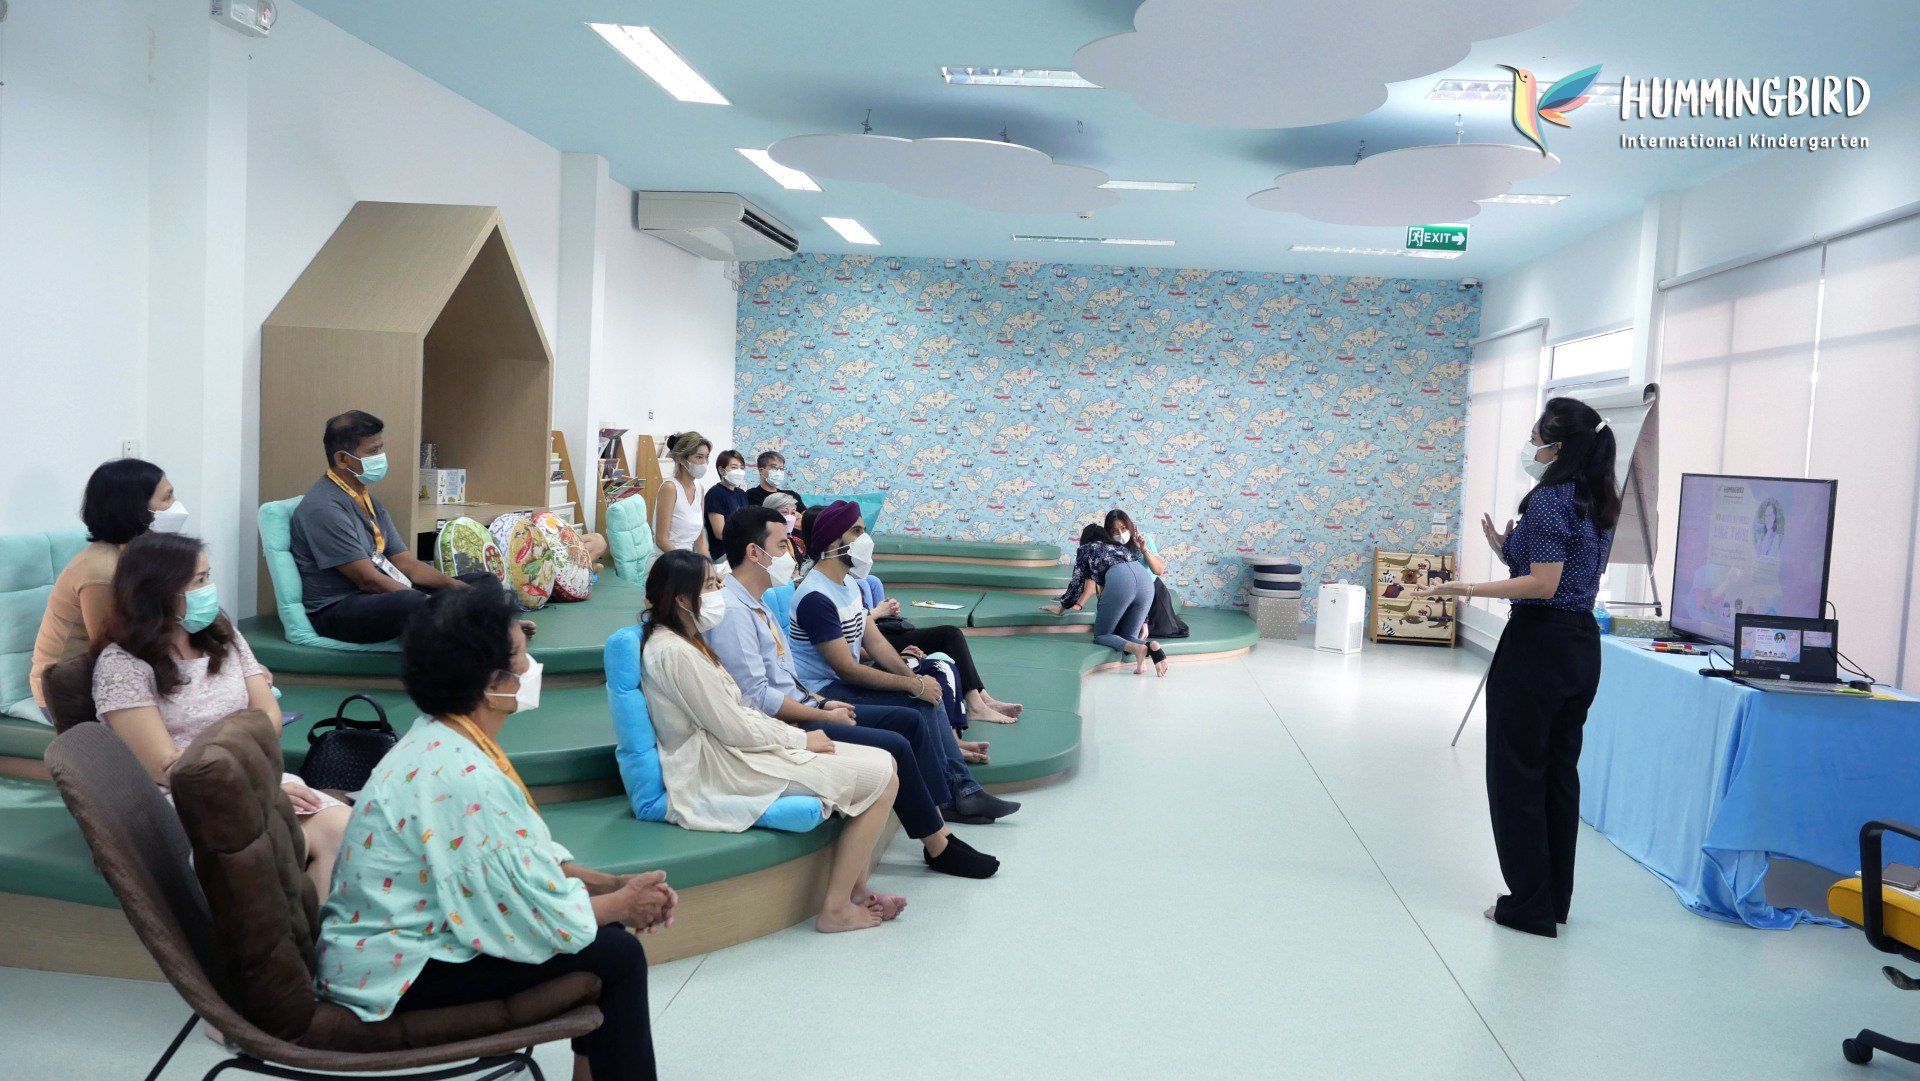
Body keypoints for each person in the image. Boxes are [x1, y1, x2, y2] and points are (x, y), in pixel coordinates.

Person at [315, 586, 672, 1081]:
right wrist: (622, 905)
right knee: (618, 952)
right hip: (395, 974)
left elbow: (522, 865)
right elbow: (523, 913)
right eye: (521, 655)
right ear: (489, 682)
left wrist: (609, 885)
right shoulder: (462, 775)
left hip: (392, 949)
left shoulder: (442, 736)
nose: (529, 668)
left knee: (605, 935)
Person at [1410, 396, 1618, 938]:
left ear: (1557, 445)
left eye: (1535, 437)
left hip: (1538, 647)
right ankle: (1552, 900)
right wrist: (1508, 549)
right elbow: (1560, 574)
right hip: (1579, 647)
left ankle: (1527, 904)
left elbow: (1544, 586)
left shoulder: (1550, 500)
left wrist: (1468, 586)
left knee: (1516, 776)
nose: (1530, 447)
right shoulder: (1597, 500)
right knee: (1556, 775)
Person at [707, 507, 999, 878]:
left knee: (910, 718)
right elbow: (760, 700)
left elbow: (789, 679)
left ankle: (942, 819)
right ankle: (938, 845)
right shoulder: (735, 612)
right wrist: (823, 714)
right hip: (786, 726)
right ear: (753, 553)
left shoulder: (757, 602)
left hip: (809, 704)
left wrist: (826, 703)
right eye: (781, 545)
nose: (791, 555)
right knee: (898, 740)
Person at [640, 550, 905, 930]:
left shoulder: (687, 641)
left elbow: (738, 713)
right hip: (723, 763)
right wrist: (800, 741)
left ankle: (857, 892)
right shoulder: (675, 652)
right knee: (883, 777)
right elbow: (732, 727)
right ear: (682, 600)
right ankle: (835, 909)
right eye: (712, 585)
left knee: (886, 761)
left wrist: (795, 736)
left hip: (739, 746)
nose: (719, 592)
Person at [91, 532, 350, 898]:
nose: (209, 588)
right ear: (159, 591)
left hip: (251, 773)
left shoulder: (223, 637)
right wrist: (261, 791)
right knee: (278, 852)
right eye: (199, 580)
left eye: (208, 576)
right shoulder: (122, 664)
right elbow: (165, 766)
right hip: (183, 798)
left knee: (347, 831)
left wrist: (263, 782)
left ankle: (320, 947)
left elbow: (268, 716)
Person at [789, 501, 1019, 825]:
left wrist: (913, 677)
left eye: (863, 530)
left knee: (929, 692)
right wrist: (913, 684)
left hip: (843, 683)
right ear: (831, 542)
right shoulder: (816, 596)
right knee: (919, 700)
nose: (864, 538)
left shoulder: (850, 584)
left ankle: (963, 791)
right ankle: (953, 796)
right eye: (856, 531)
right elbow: (847, 669)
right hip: (823, 692)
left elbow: (876, 642)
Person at [289, 411, 478, 644]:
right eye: (372, 451)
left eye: (381, 448)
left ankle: (478, 624)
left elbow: (406, 563)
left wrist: (457, 588)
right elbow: (368, 580)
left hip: (377, 594)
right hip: (340, 608)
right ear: (342, 459)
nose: (381, 456)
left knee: (480, 584)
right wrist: (433, 602)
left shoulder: (367, 499)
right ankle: (481, 629)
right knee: (412, 603)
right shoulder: (322, 508)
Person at [30, 458, 188, 710]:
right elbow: (112, 651)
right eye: (167, 498)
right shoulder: (101, 571)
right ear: (136, 509)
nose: (177, 506)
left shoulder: (137, 556)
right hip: (67, 692)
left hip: (118, 674)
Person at [1046, 524, 1168, 677]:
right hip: (1146, 583)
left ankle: (1138, 649)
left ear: (1085, 539)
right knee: (1130, 636)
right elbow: (1138, 581)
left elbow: (1077, 582)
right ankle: (1151, 647)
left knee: (1102, 635)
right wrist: (1145, 619)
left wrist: (1063, 606)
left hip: (1121, 581)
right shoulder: (1120, 547)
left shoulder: (1086, 549)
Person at [1106, 508, 1188, 641]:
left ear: (1130, 526)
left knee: (1164, 629)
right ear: (1109, 533)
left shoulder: (1145, 539)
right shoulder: (1110, 549)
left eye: (1123, 528)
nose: (1121, 534)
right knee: (1124, 631)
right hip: (1128, 594)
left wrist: (1143, 549)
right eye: (1115, 531)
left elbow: (1159, 570)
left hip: (1153, 591)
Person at [653, 432, 711, 558]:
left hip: (688, 560)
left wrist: (710, 569)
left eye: (706, 457)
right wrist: (688, 564)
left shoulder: (699, 488)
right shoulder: (670, 488)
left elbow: (700, 542)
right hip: (667, 561)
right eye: (699, 457)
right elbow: (661, 540)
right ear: (681, 459)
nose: (704, 463)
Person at [702, 449, 751, 564]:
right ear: (721, 470)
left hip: (741, 548)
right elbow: (720, 533)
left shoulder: (741, 493)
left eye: (742, 467)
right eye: (734, 467)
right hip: (723, 553)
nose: (739, 471)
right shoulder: (715, 494)